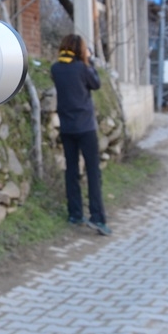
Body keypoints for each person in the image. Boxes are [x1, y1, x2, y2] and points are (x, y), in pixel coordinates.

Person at [49, 33, 110, 236]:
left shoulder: (56, 69)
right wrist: (89, 60)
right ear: (80, 49)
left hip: (67, 127)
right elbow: (96, 83)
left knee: (71, 170)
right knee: (93, 172)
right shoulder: (83, 68)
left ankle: (75, 213)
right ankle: (97, 217)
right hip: (86, 128)